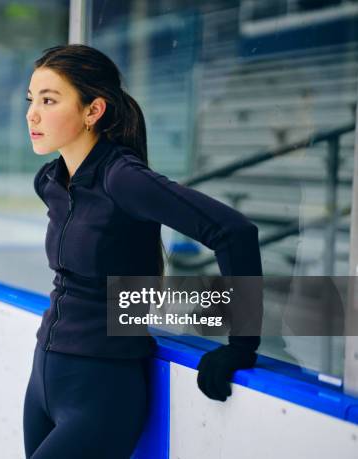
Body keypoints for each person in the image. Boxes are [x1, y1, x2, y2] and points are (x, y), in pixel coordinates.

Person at [22, 44, 262, 459]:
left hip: (100, 388)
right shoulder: (51, 181)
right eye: (31, 100)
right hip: (44, 379)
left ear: (92, 110)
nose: (33, 114)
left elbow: (234, 232)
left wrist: (240, 345)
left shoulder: (123, 179)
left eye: (49, 100)